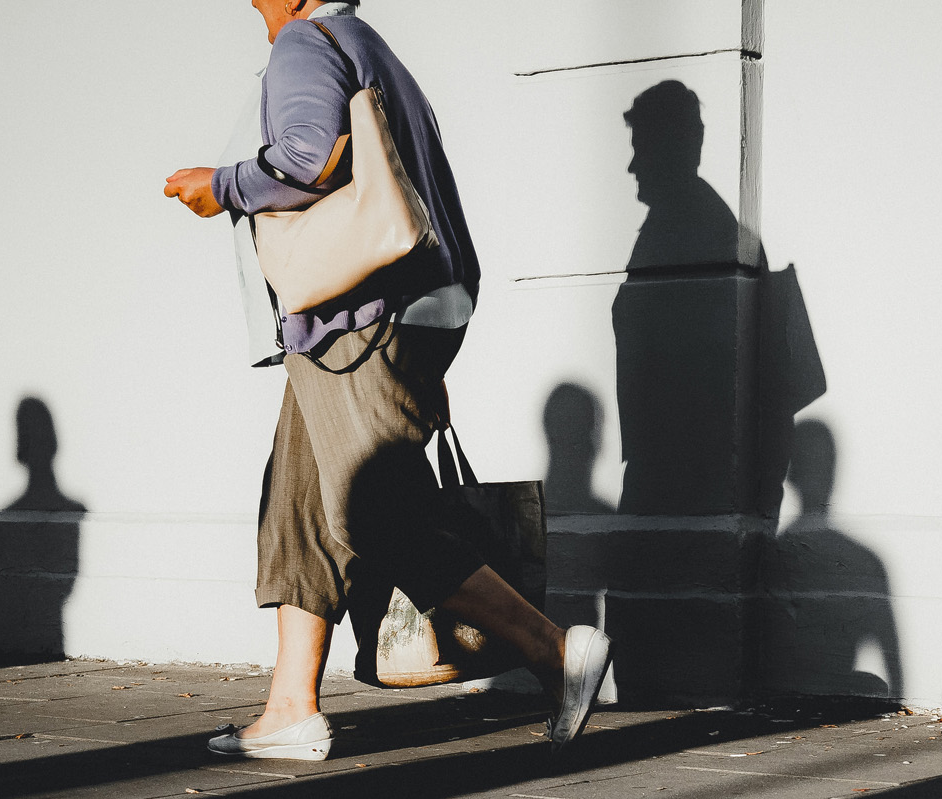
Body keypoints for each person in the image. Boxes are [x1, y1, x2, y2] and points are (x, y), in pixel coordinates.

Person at [164, 0, 611, 759]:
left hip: (355, 320)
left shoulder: (305, 42)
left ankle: (554, 649)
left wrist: (222, 185)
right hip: (388, 318)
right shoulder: (370, 47)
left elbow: (305, 158)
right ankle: (288, 711)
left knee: (375, 515)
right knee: (298, 505)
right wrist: (420, 348)